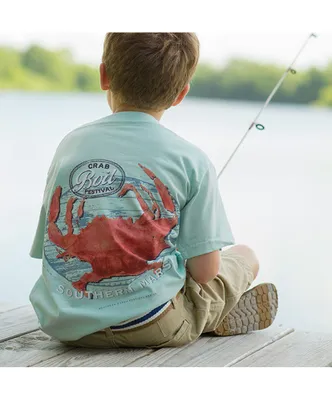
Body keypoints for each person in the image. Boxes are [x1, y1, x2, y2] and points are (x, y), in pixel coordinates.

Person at [29, 33, 278, 348]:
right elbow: (204, 272)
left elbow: (49, 247)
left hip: (63, 325)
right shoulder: (192, 159)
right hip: (150, 327)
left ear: (104, 75)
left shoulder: (70, 145)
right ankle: (210, 313)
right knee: (245, 256)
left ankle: (202, 310)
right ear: (181, 94)